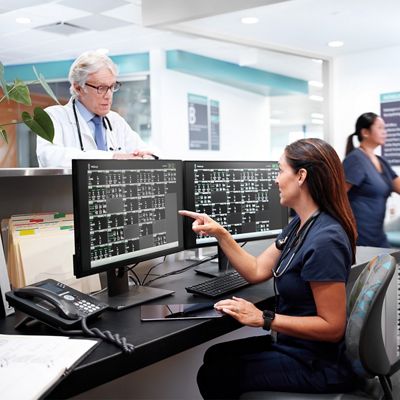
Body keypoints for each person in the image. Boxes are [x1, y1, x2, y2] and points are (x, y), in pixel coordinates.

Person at [179, 138, 358, 399]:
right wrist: (220, 233)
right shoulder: (301, 224)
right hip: (296, 347)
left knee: (214, 374)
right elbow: (257, 270)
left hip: (318, 363)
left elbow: (332, 327)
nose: (275, 180)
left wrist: (263, 318)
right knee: (215, 355)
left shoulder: (325, 240)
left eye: (280, 170)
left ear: (301, 176)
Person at [36, 50, 156, 167]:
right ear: (78, 88)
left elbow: (146, 150)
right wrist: (112, 157)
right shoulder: (54, 117)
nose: (108, 95)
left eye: (112, 87)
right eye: (101, 88)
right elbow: (49, 157)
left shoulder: (115, 121)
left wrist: (146, 156)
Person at [343, 112, 400, 247]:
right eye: (380, 128)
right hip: (360, 238)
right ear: (365, 132)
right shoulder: (354, 160)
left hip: (378, 236)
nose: (384, 132)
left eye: (384, 128)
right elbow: (336, 196)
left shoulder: (382, 162)